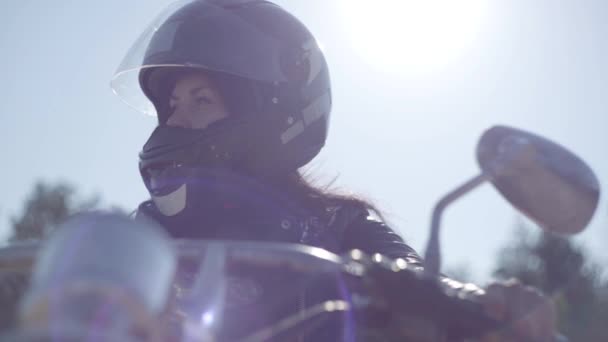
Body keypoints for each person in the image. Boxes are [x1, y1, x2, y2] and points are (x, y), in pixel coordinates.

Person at [111, 0, 558, 340]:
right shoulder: (148, 231)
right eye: (171, 105)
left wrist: (489, 306)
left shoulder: (337, 226)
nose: (176, 122)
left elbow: (420, 285)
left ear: (266, 118)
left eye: (201, 100)